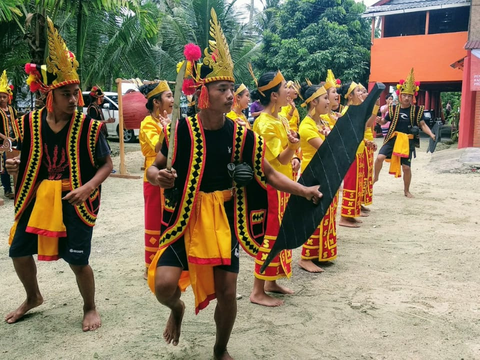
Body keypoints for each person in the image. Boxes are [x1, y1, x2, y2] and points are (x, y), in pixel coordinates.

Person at [146, 11, 322, 360]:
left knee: (228, 292)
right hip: (185, 217)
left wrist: (303, 190)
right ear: (203, 93)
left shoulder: (243, 133)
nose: (231, 95)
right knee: (164, 285)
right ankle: (177, 309)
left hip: (226, 219)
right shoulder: (178, 130)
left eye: (231, 88)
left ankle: (220, 348)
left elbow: (270, 173)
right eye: (222, 88)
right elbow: (154, 168)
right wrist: (158, 176)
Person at [4, 18, 113, 331]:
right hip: (37, 198)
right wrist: (14, 165)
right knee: (19, 252)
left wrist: (88, 187)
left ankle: (90, 307)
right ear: (50, 95)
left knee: (78, 260)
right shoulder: (29, 123)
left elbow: (106, 165)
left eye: (76, 93)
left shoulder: (90, 128)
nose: (74, 99)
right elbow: (22, 158)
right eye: (67, 94)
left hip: (75, 200)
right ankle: (33, 296)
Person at [250, 70, 300, 307]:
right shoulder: (264, 123)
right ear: (273, 96)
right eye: (284, 89)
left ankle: (271, 282)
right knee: (269, 235)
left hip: (284, 183)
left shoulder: (280, 118)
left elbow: (286, 157)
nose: (288, 92)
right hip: (272, 187)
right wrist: (292, 146)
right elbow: (279, 159)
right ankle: (257, 290)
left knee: (281, 234)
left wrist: (293, 149)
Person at [374, 68, 435, 198]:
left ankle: (406, 190)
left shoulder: (417, 110)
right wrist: (379, 121)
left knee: (406, 168)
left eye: (409, 96)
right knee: (379, 158)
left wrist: (431, 134)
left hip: (407, 141)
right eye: (404, 95)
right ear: (400, 95)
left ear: (413, 97)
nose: (407, 98)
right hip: (392, 137)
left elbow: (422, 124)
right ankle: (376, 177)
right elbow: (385, 120)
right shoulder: (393, 108)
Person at [297, 83, 334, 273]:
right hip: (313, 176)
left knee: (326, 213)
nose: (328, 101)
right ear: (313, 102)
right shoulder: (306, 126)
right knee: (314, 215)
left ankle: (320, 253)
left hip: (326, 173)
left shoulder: (323, 122)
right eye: (325, 98)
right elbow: (328, 150)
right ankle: (306, 257)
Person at [139, 81, 173, 279]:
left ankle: (168, 261)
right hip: (153, 176)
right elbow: (158, 148)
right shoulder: (148, 123)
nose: (172, 100)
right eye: (168, 96)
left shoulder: (170, 119)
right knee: (154, 220)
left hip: (170, 172)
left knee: (169, 218)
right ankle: (150, 264)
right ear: (156, 102)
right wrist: (166, 129)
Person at [0, 70, 19, 199]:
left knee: (16, 162)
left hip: (15, 140)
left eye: (4, 96)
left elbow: (17, 123)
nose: (2, 99)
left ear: (8, 97)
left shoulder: (12, 110)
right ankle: (7, 189)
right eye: (0, 96)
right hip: (3, 142)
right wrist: (5, 138)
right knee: (4, 165)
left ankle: (18, 187)